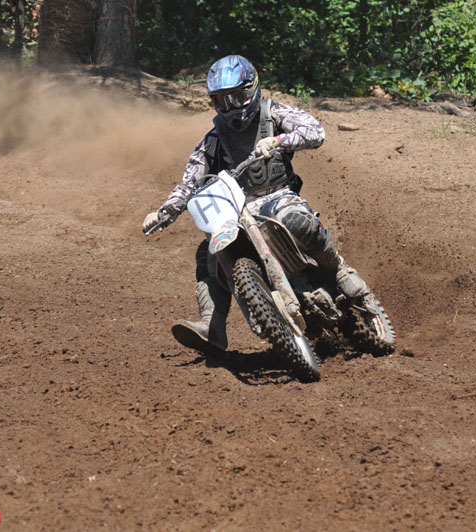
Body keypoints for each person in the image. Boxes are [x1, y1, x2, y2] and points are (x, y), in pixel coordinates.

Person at [142, 55, 369, 354]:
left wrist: (279, 141)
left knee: (295, 220)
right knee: (208, 255)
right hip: (237, 211)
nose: (231, 107)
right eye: (222, 101)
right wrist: (165, 210)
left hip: (279, 196)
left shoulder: (273, 113)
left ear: (253, 89)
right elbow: (189, 181)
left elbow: (316, 132)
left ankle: (338, 268)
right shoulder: (213, 140)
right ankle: (212, 327)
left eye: (237, 97)